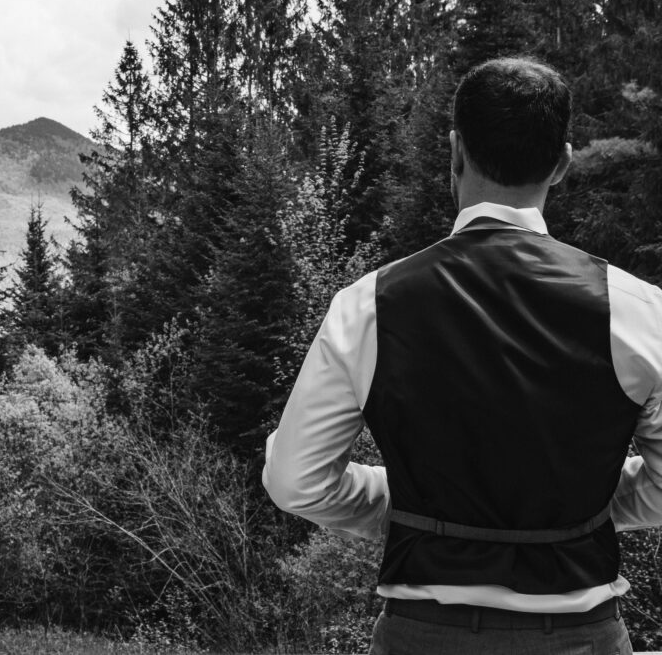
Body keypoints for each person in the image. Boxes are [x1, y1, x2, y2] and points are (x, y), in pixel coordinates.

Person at [263, 57, 662, 654]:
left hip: (420, 639)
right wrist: (590, 501)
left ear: (454, 152)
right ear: (562, 163)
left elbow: (296, 482)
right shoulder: (637, 308)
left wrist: (404, 503)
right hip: (582, 640)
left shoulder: (368, 304)